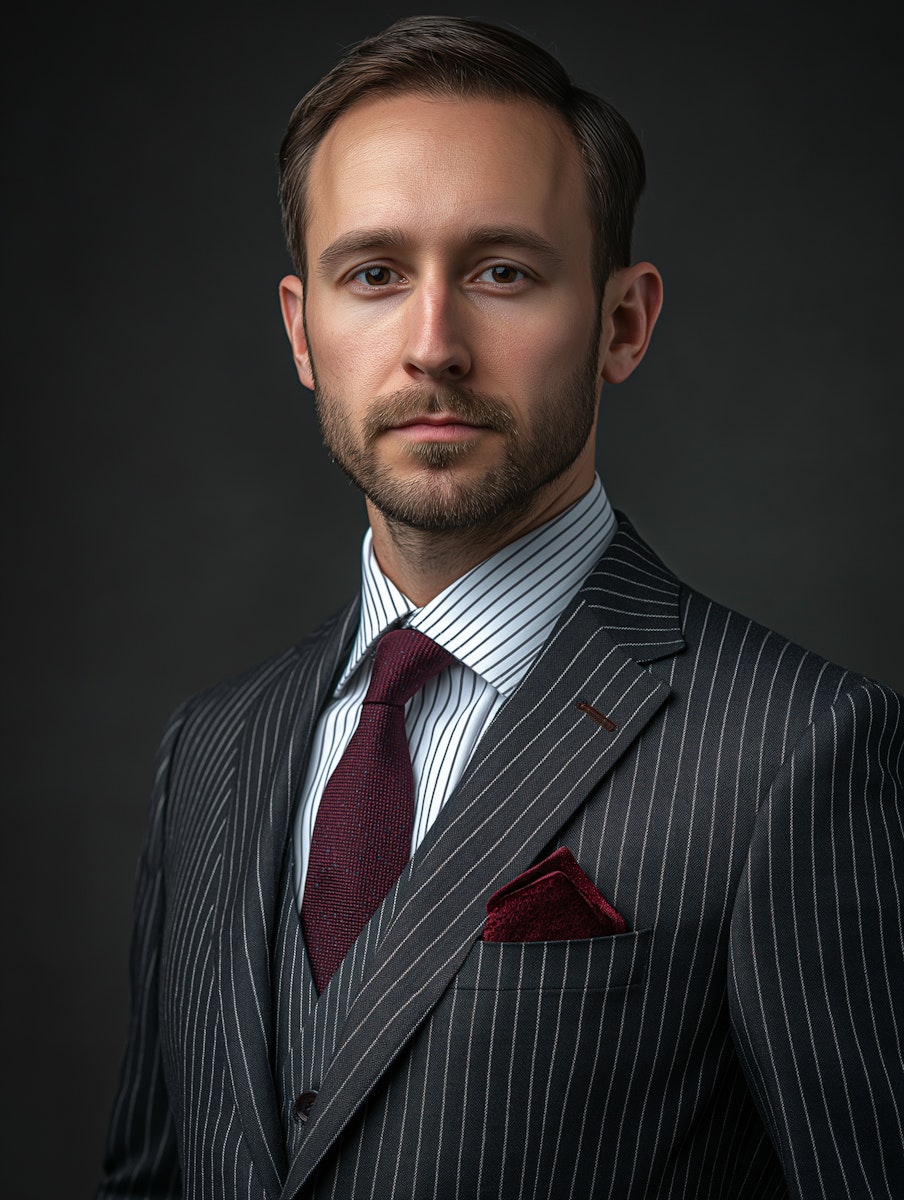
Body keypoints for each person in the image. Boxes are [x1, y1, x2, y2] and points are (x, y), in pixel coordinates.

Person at [97, 15, 903, 1200]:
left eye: (500, 272)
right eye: (373, 274)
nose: (433, 346)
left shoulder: (801, 749)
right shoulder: (209, 752)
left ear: (622, 322)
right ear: (300, 330)